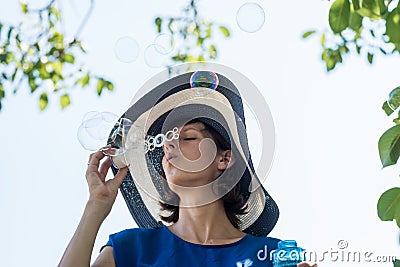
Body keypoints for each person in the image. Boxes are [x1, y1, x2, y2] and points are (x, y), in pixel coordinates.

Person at [58, 70, 316, 267]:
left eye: (188, 137)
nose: (168, 145)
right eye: (166, 142)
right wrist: (96, 206)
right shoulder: (129, 250)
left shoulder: (277, 256)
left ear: (224, 159)